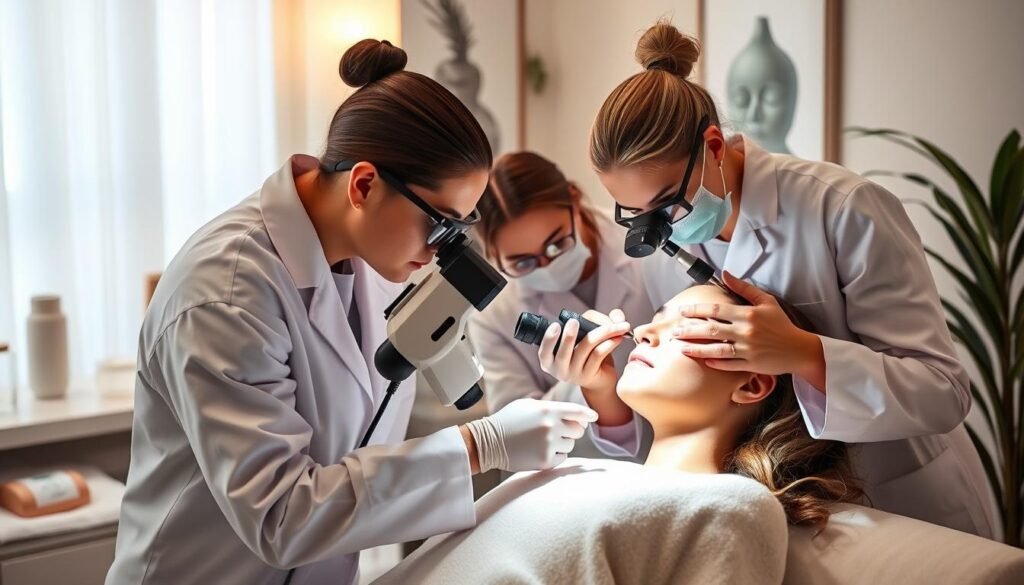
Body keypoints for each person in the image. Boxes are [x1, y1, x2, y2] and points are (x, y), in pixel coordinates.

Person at [106, 39, 599, 585]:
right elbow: (281, 515)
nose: (441, 249)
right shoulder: (226, 291)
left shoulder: (376, 260)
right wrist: (480, 445)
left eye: (459, 228)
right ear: (364, 185)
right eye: (440, 224)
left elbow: (358, 463)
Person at [586, 21, 995, 538]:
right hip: (777, 506)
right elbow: (695, 404)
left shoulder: (843, 209)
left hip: (902, 492)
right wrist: (602, 389)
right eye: (637, 213)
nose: (659, 227)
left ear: (714, 146)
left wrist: (803, 353)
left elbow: (943, 391)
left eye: (668, 202)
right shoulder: (662, 247)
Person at [373, 285, 863, 585]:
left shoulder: (735, 507)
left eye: (686, 325)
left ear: (752, 383)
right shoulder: (572, 472)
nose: (646, 331)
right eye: (658, 315)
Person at [469, 151, 655, 460]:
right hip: (580, 468)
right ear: (492, 254)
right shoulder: (494, 314)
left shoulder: (645, 247)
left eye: (557, 245)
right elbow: (514, 437)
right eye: (522, 263)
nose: (547, 266)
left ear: (575, 200)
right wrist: (585, 386)